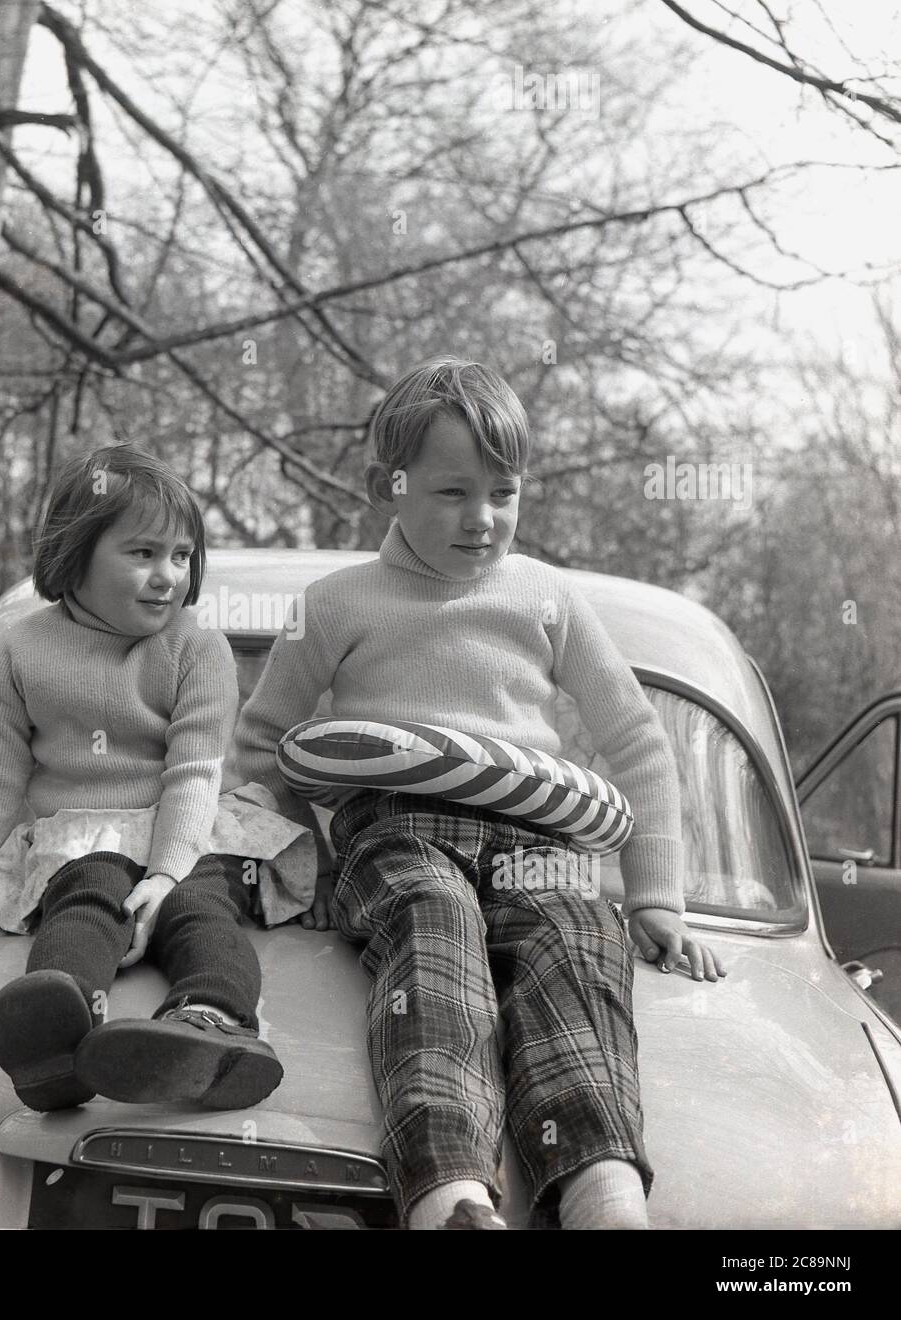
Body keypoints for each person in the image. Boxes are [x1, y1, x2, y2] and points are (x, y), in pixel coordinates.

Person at [234, 357, 727, 1229]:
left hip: (540, 836)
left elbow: (638, 739)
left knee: (580, 941)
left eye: (504, 493)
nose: (483, 519)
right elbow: (261, 740)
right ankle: (449, 1194)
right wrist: (297, 860)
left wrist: (657, 896)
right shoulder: (339, 604)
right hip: (398, 830)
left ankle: (601, 1189)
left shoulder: (546, 597)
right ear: (393, 485)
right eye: (452, 493)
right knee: (434, 931)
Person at [0, 444, 286, 1113]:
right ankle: (57, 1042)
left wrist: (165, 873)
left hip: (187, 836)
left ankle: (213, 1024)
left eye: (182, 556)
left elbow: (193, 770)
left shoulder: (197, 647)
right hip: (80, 840)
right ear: (77, 554)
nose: (168, 577)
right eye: (143, 553)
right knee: (86, 902)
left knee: (200, 911)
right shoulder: (21, 650)